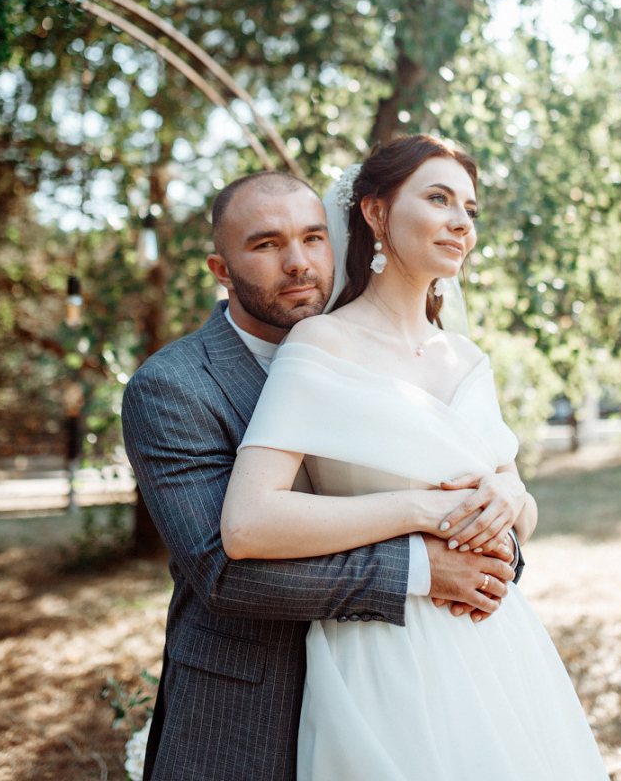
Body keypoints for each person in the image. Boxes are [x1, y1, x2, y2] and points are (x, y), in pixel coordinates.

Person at [221, 135, 611, 781]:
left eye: (471, 209)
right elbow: (247, 523)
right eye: (438, 199)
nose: (461, 222)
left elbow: (522, 515)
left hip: (499, 647)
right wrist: (420, 509)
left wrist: (514, 498)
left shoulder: (466, 358)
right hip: (384, 652)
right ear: (374, 213)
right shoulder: (324, 343)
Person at [122, 169, 520, 781]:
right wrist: (423, 567)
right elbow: (222, 572)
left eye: (313, 238)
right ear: (221, 270)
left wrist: (497, 524)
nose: (298, 263)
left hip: (395, 686)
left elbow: (468, 489)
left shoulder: (386, 358)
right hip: (248, 708)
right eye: (265, 244)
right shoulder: (173, 388)